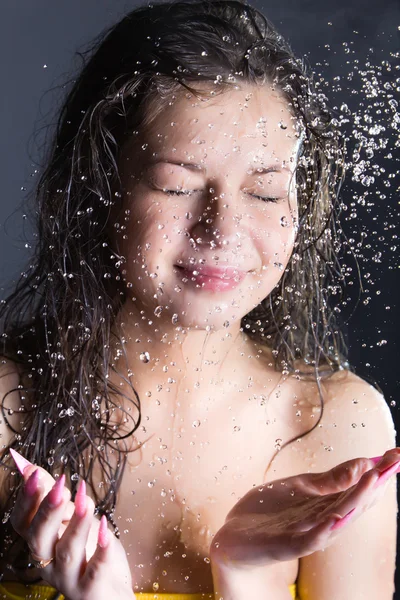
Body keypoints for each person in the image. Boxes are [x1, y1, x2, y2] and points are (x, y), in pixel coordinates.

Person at [0, 0, 398, 598]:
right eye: (177, 185)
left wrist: (245, 573)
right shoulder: (8, 411)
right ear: (98, 187)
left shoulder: (339, 431)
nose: (224, 229)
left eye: (265, 194)